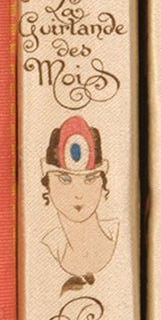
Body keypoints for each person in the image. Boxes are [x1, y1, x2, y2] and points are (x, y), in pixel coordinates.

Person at [41, 116, 118, 294]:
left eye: (89, 179)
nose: (78, 193)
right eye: (64, 179)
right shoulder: (48, 246)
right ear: (48, 183)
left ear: (102, 183)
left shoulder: (119, 232)